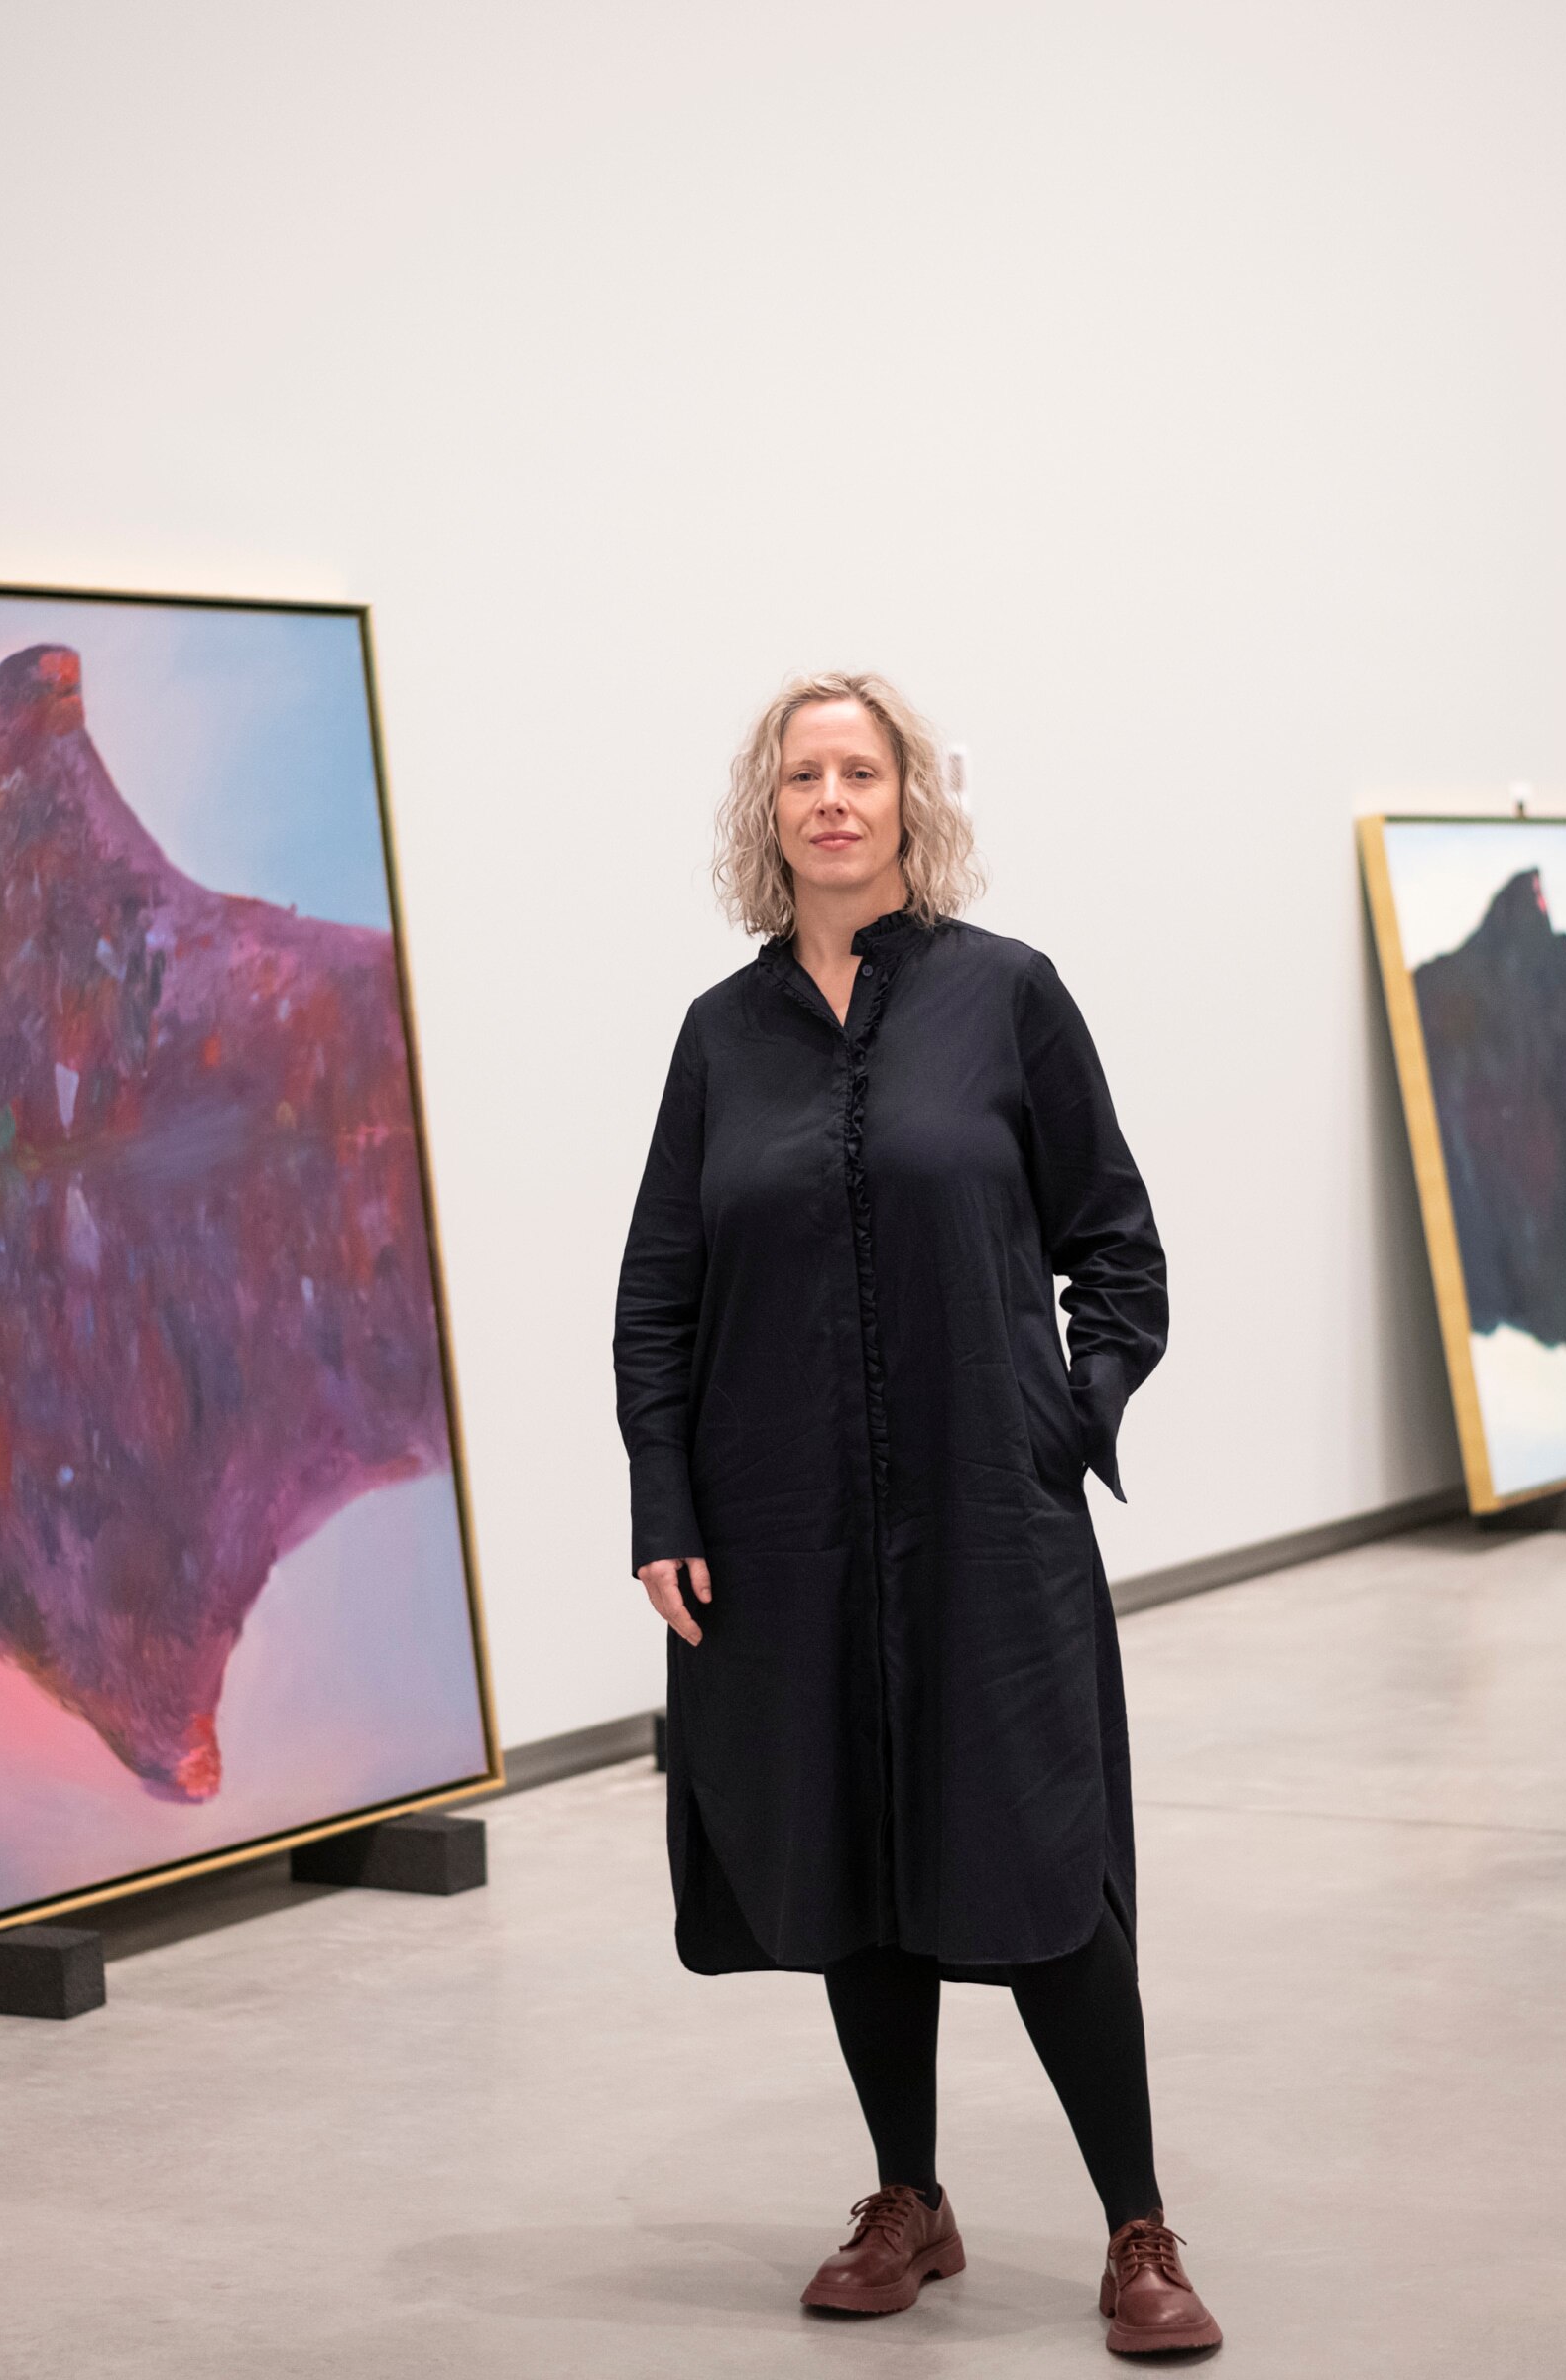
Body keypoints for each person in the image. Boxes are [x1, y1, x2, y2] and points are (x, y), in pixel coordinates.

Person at [613, 671, 1220, 2356]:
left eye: (860, 772)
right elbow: (659, 1293)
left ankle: (1138, 2227)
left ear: (906, 802)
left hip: (986, 1527)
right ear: (769, 813)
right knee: (848, 1854)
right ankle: (909, 2196)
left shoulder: (1006, 996)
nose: (832, 800)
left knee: (1040, 1857)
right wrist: (664, 1501)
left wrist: (1066, 1418)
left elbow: (1120, 1248)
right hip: (784, 1531)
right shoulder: (720, 1038)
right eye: (802, 775)